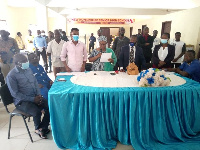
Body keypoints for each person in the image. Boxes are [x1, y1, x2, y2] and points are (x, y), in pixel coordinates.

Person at [6, 54, 50, 139]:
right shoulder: (11, 76)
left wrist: (38, 95)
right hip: (22, 101)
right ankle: (38, 128)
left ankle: (42, 127)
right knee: (37, 111)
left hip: (34, 96)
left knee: (50, 106)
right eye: (23, 62)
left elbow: (35, 83)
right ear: (17, 63)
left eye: (26, 61)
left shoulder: (28, 69)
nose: (26, 63)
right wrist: (33, 99)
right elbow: (15, 94)